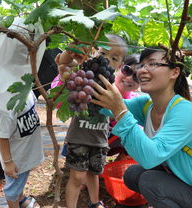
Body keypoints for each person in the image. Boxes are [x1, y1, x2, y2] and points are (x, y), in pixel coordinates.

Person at [91, 47, 192, 208]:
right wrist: (83, 77)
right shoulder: (147, 105)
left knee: (150, 181)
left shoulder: (184, 111)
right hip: (179, 181)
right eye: (141, 65)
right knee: (133, 174)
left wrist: (119, 110)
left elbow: (150, 158)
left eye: (152, 64)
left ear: (174, 72)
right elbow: (110, 106)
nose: (142, 70)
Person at [54, 34, 128, 208]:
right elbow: (63, 63)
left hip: (99, 139)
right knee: (78, 176)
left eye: (114, 58)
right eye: (103, 53)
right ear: (95, 52)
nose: (107, 60)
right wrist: (74, 46)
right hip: (79, 137)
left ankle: (95, 203)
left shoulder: (113, 85)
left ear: (120, 65)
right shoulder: (83, 73)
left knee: (94, 173)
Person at [0, 90, 44, 208]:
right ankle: (15, 202)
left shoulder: (25, 88)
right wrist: (8, 163)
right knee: (12, 192)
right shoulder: (3, 107)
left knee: (18, 185)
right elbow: (2, 137)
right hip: (17, 159)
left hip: (26, 151)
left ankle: (20, 200)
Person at [107, 54, 140, 161]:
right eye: (127, 70)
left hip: (114, 142)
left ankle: (117, 165)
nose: (130, 78)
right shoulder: (101, 88)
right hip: (90, 138)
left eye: (137, 77)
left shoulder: (137, 101)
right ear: (119, 67)